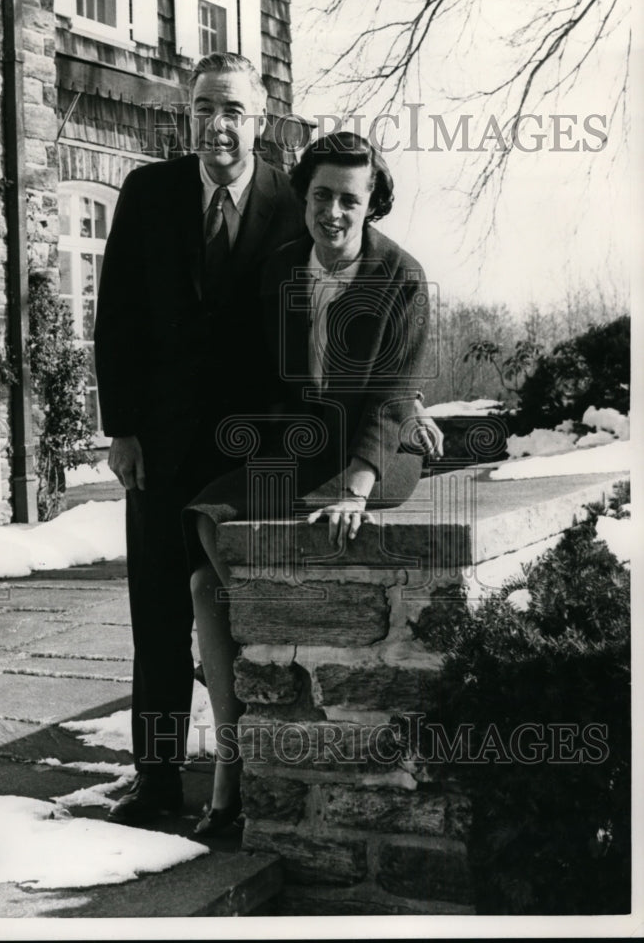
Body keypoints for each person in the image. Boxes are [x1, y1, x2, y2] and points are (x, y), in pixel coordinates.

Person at [186, 131, 442, 835]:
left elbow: (392, 396)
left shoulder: (403, 278)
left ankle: (228, 778)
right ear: (304, 196)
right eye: (322, 195)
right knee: (208, 527)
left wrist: (357, 487)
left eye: (349, 201)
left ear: (372, 206)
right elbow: (268, 380)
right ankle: (243, 693)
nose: (333, 212)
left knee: (216, 579)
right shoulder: (279, 271)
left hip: (377, 450)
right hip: (307, 445)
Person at [93, 53, 305, 825]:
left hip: (256, 459)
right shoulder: (149, 195)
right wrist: (122, 431)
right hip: (163, 452)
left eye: (235, 111)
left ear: (262, 119)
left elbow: (347, 291)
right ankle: (154, 785)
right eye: (206, 108)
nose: (219, 125)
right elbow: (114, 319)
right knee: (158, 620)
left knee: (242, 620)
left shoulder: (292, 204)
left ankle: (243, 783)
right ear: (189, 114)